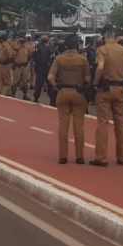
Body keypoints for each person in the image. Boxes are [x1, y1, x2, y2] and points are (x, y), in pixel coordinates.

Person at [90, 25, 123, 166]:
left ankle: (101, 157)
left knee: (103, 123)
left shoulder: (102, 49)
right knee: (121, 123)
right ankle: (122, 157)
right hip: (120, 89)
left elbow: (100, 67)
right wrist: (122, 70)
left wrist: (95, 82)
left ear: (105, 36)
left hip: (105, 89)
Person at [48, 34, 91, 164]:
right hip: (78, 93)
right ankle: (79, 156)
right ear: (77, 45)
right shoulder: (83, 60)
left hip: (63, 92)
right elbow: (88, 79)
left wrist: (57, 87)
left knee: (63, 126)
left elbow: (50, 77)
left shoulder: (59, 59)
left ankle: (63, 156)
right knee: (79, 126)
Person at [32, 35, 53, 103]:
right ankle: (36, 98)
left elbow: (54, 56)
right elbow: (34, 55)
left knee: (50, 85)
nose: (44, 38)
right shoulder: (38, 46)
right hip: (41, 67)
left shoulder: (51, 46)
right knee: (38, 84)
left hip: (49, 67)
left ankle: (52, 100)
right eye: (43, 37)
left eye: (46, 37)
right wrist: (36, 63)